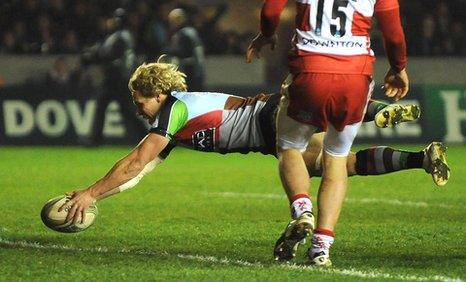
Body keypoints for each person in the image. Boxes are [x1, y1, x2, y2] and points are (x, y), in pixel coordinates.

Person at [58, 61, 449, 236]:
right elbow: (137, 173)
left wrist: (89, 192)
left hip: (270, 120)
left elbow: (134, 160)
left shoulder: (174, 112)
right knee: (337, 165)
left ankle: (376, 111)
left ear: (157, 94)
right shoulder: (176, 121)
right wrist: (95, 199)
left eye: (138, 100)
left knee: (325, 125)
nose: (136, 108)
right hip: (268, 129)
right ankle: (418, 156)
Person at [246, 0, 410, 266]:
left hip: (310, 72)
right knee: (336, 157)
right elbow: (394, 33)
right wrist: (398, 66)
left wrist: (267, 34)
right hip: (355, 78)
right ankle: (321, 248)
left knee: (289, 146)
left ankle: (302, 209)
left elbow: (270, 10)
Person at [81, 8, 146, 146]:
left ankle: (95, 139)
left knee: (106, 107)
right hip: (121, 80)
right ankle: (146, 136)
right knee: (125, 110)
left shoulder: (118, 36)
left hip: (115, 80)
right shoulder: (125, 35)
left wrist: (91, 55)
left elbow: (105, 54)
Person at [165, 8, 205, 91]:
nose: (170, 23)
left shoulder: (184, 34)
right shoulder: (191, 32)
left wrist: (168, 51)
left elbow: (184, 52)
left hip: (188, 70)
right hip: (194, 70)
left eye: (172, 20)